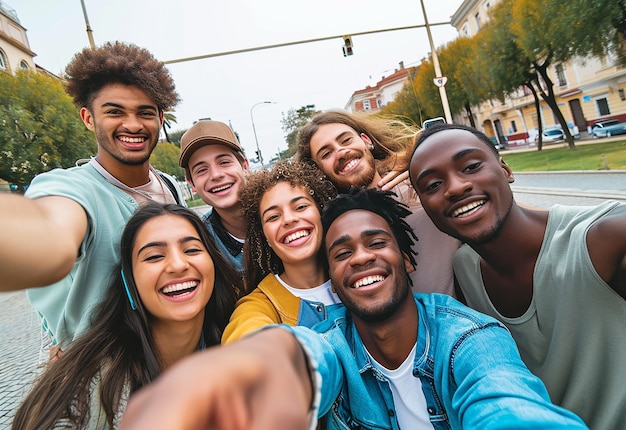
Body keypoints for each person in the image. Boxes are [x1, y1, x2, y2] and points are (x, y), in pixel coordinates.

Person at [120, 189, 588, 430]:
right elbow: (298, 357)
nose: (361, 257)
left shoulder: (468, 337)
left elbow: (504, 399)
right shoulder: (328, 339)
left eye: (376, 243)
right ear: (334, 278)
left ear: (406, 259)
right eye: (342, 252)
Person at [408, 123, 626, 429]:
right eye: (432, 185)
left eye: (471, 166)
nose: (455, 187)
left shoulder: (604, 237)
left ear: (506, 170)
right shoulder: (464, 269)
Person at [0, 42, 184, 355]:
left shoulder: (169, 185)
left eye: (145, 113)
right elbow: (52, 233)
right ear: (88, 118)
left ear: (160, 118)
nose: (132, 124)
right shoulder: (71, 189)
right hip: (106, 377)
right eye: (114, 112)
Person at [12, 203, 241, 430]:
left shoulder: (237, 341)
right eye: (153, 256)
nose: (178, 265)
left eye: (191, 250)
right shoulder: (86, 391)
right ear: (128, 280)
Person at [295, 109, 460, 296]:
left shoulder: (421, 185)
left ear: (366, 140)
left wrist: (427, 170)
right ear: (318, 172)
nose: (340, 152)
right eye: (326, 153)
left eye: (346, 140)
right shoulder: (332, 232)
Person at [222, 160, 338, 343]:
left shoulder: (357, 272)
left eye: (300, 207)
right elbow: (246, 344)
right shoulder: (258, 305)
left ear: (320, 211)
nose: (289, 219)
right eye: (273, 217)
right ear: (264, 235)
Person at [178, 120, 250, 276]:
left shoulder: (283, 213)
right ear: (191, 184)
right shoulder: (199, 242)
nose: (216, 175)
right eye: (202, 170)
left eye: (224, 162)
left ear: (245, 166)